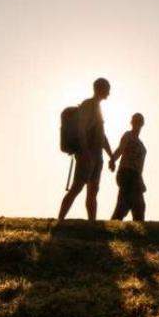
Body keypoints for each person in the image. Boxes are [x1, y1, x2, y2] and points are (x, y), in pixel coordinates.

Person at [58, 78, 114, 221]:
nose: (109, 92)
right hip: (87, 155)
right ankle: (60, 220)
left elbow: (102, 135)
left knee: (93, 192)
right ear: (99, 89)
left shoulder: (98, 108)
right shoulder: (88, 105)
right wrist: (85, 153)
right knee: (77, 188)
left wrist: (111, 156)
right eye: (107, 88)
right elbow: (81, 130)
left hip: (97, 156)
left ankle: (92, 223)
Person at [110, 113, 147, 221]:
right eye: (135, 121)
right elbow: (120, 149)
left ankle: (136, 232)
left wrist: (140, 179)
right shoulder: (128, 135)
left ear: (142, 124)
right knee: (128, 205)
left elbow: (140, 166)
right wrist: (112, 160)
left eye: (139, 121)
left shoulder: (141, 144)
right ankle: (113, 229)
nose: (137, 124)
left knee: (135, 206)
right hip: (126, 173)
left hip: (135, 176)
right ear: (132, 123)